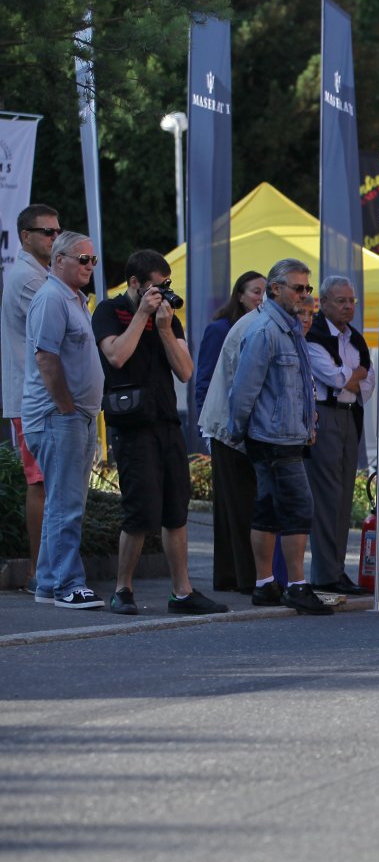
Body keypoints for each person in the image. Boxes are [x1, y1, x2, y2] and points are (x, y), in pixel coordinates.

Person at [92, 249, 227, 616]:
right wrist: (141, 315)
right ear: (134, 283)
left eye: (166, 285)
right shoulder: (109, 311)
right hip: (131, 424)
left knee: (175, 509)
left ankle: (182, 591)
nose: (162, 293)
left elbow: (185, 371)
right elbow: (116, 356)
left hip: (166, 420)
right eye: (156, 286)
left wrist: (165, 328)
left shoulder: (168, 318)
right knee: (139, 510)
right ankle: (123, 589)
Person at [227, 257, 332, 616]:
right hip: (273, 437)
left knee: (269, 509)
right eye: (298, 288)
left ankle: (265, 584)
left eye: (307, 288)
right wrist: (238, 433)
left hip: (283, 434)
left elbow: (299, 386)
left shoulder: (288, 327)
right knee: (299, 507)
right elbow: (243, 389)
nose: (304, 294)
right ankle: (297, 586)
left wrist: (308, 425)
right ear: (275, 289)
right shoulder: (265, 331)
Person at [20, 232, 104, 609]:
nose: (89, 266)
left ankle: (48, 582)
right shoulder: (52, 298)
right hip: (58, 417)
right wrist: (67, 408)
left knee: (65, 502)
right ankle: (67, 584)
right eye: (82, 259)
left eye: (92, 260)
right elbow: (46, 357)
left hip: (73, 416)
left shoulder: (74, 299)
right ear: (58, 261)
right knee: (65, 505)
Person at [1, 203, 60, 595]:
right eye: (47, 232)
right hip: (34, 398)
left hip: (40, 395)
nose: (55, 238)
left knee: (49, 483)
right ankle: (40, 571)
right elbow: (60, 329)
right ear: (25, 236)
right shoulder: (28, 278)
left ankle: (48, 569)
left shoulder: (39, 274)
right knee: (40, 483)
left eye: (58, 231)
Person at [304, 276, 372, 595]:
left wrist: (350, 377)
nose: (348, 306)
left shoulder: (355, 338)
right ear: (324, 303)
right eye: (341, 301)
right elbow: (335, 379)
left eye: (351, 301)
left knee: (344, 496)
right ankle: (324, 573)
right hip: (326, 414)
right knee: (327, 496)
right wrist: (352, 377)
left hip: (350, 415)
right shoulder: (314, 335)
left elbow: (367, 384)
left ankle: (336, 569)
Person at [198, 295, 265, 594]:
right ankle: (246, 578)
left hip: (232, 426)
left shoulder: (257, 324)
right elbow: (237, 385)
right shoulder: (255, 328)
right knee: (241, 508)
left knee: (234, 510)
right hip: (233, 428)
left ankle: (232, 576)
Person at [195, 271, 266, 416]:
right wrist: (205, 420)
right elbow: (206, 378)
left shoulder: (266, 330)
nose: (262, 298)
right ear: (240, 296)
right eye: (256, 292)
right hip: (224, 414)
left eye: (266, 293)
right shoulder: (220, 329)